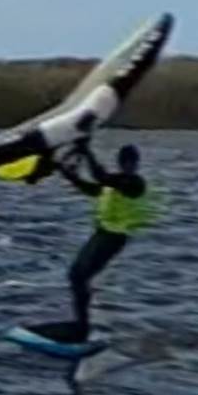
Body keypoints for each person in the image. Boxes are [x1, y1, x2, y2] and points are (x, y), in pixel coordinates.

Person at [51, 140, 153, 332]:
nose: (128, 166)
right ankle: (81, 323)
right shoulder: (115, 182)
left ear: (136, 164)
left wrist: (86, 151)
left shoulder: (135, 183)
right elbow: (90, 187)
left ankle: (82, 326)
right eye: (125, 162)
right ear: (121, 163)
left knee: (80, 277)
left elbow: (100, 176)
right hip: (101, 235)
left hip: (114, 238)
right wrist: (67, 173)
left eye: (131, 163)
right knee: (76, 276)